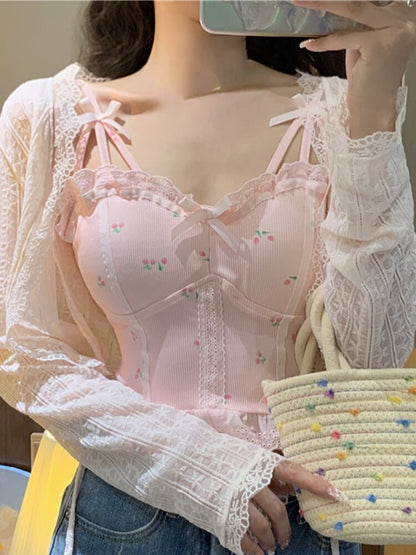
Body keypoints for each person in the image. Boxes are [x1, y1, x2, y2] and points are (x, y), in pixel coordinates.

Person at [1, 1, 415, 554]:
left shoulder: (341, 114)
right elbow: (27, 355)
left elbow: (373, 358)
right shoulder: (51, 118)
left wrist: (375, 113)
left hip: (299, 518)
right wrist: (206, 471)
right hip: (123, 514)